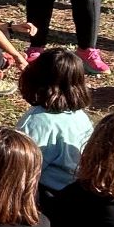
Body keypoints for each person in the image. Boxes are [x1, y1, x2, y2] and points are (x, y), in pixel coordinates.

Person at [17, 48, 95, 197]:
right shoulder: (80, 116)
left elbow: (21, 173)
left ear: (34, 78)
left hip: (50, 196)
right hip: (80, 189)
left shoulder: (35, 123)